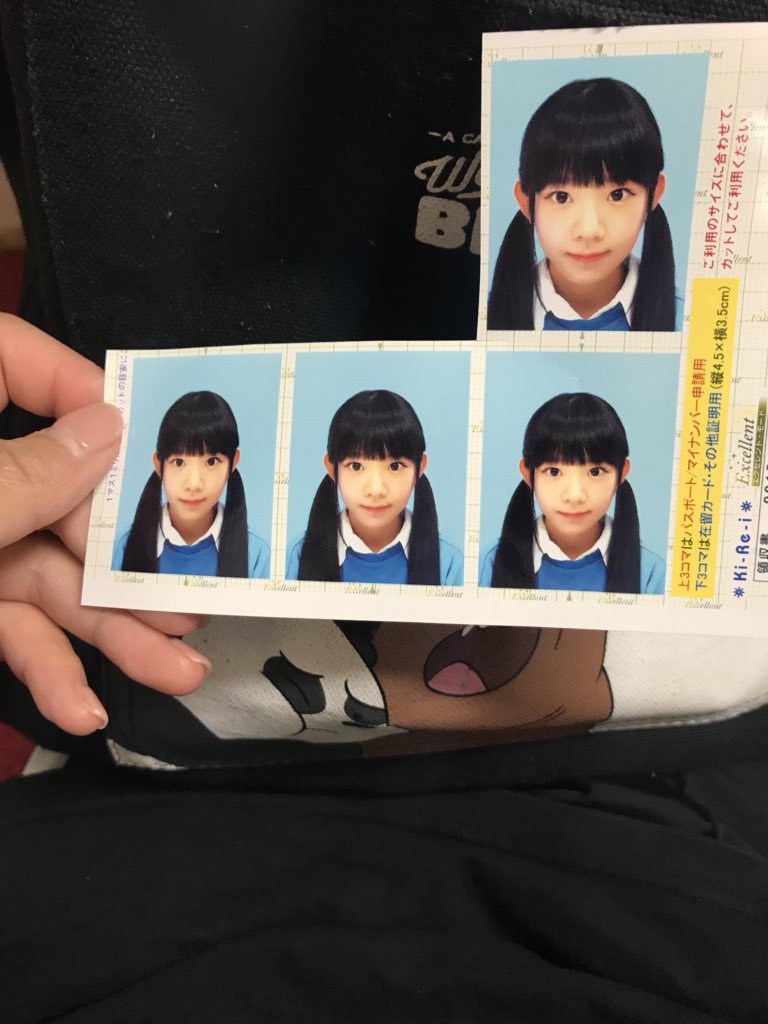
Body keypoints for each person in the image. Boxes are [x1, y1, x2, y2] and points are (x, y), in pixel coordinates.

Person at [1, 4, 768, 1021]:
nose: (588, 224)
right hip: (152, 739)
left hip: (683, 755)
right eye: (564, 194)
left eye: (617, 193)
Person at [487, 78, 681, 332]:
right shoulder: (484, 318)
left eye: (618, 195)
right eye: (561, 197)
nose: (589, 231)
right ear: (526, 202)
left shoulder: (689, 322)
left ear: (653, 195)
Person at [479, 392, 665, 593]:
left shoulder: (650, 571)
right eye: (554, 471)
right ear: (528, 474)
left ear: (622, 473)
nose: (575, 496)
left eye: (595, 472)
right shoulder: (492, 562)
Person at [286, 390, 463, 585]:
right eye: (356, 466)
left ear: (419, 468)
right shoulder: (297, 556)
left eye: (394, 466)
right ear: (332, 469)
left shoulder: (449, 562)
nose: (376, 490)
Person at [113, 390, 270, 578]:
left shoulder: (256, 554)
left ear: (233, 462)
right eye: (179, 462)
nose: (194, 484)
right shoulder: (124, 546)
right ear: (159, 465)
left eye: (211, 462)